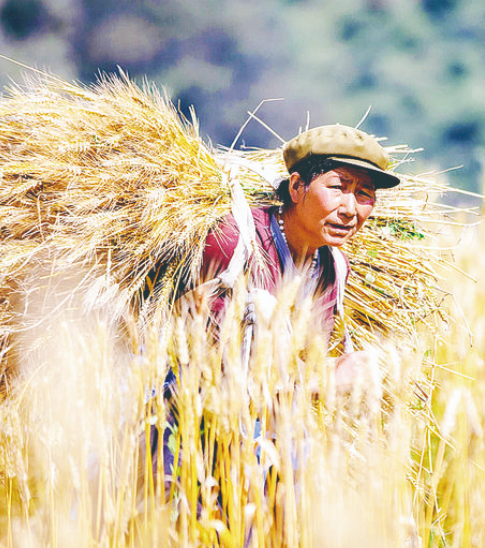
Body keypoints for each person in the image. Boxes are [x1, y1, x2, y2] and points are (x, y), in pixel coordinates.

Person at [151, 124, 400, 489]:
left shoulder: (332, 267)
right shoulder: (233, 242)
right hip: (183, 437)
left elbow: (293, 365)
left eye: (364, 194)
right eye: (338, 187)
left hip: (262, 447)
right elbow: (212, 368)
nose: (350, 209)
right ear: (297, 187)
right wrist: (324, 380)